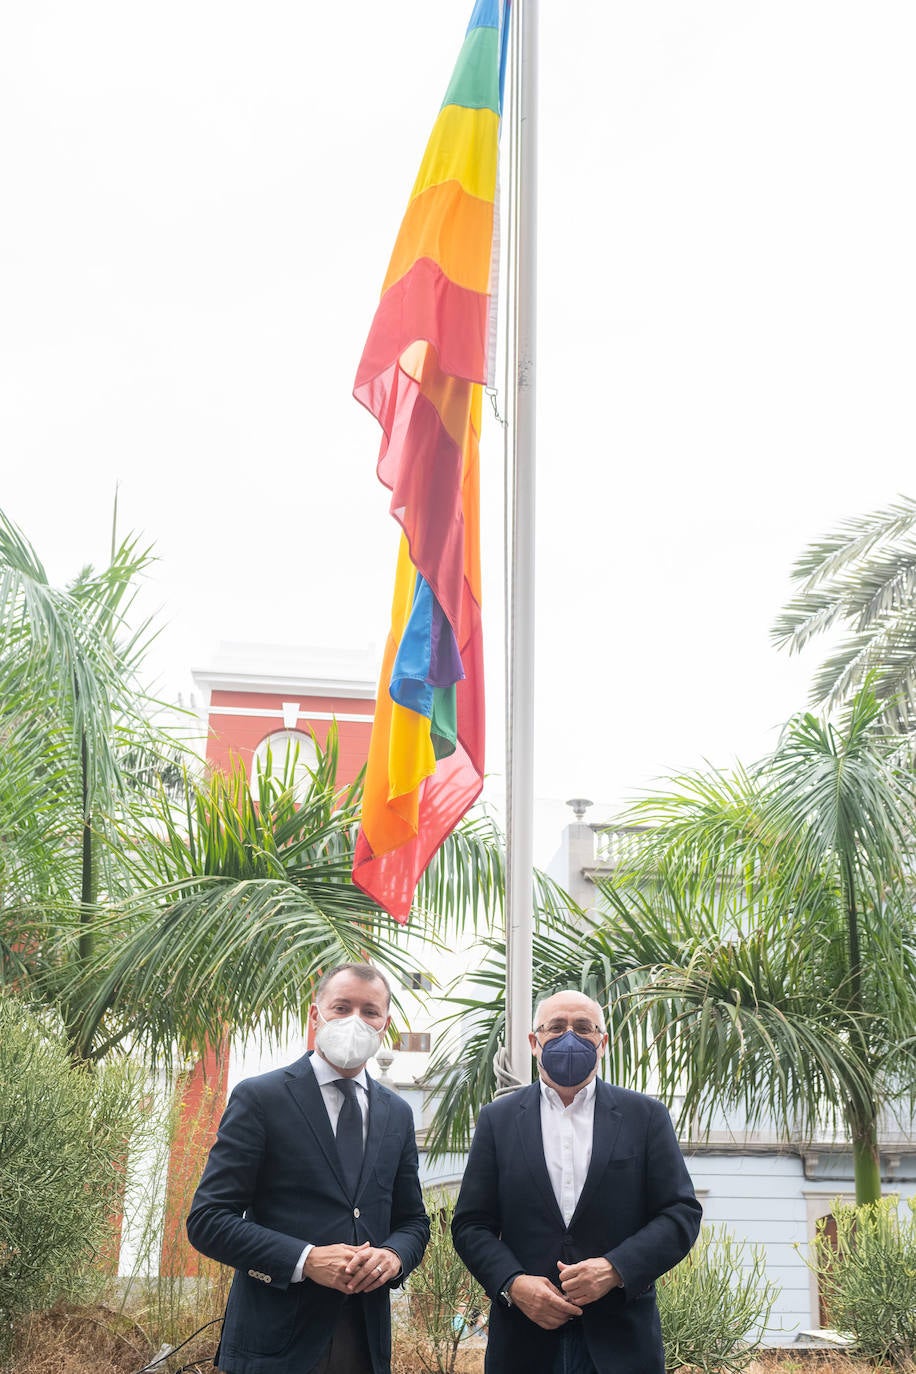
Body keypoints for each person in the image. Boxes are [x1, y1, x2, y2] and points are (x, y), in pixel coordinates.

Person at [187, 962, 430, 1374]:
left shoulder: (397, 1113)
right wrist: (306, 1259)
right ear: (316, 1015)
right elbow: (208, 1220)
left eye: (370, 1012)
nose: (355, 1020)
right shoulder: (261, 1098)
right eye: (342, 1007)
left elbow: (413, 1222)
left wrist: (393, 1256)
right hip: (274, 1344)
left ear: (384, 1026)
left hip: (364, 1343)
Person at [451, 989, 702, 1374]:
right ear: (534, 1042)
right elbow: (471, 1224)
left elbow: (680, 1213)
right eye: (555, 1027)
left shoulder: (646, 1116)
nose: (569, 1037)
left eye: (584, 1028)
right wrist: (514, 1284)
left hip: (621, 1343)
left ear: (603, 1042)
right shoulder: (497, 1120)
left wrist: (615, 1268)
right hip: (524, 1342)